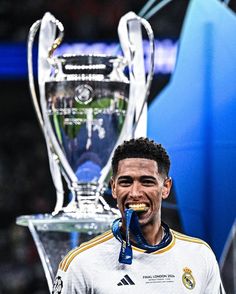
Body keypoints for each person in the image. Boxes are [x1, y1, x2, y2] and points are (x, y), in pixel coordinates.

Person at [52, 137, 225, 293]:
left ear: (165, 188)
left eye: (147, 182)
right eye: (126, 182)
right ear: (113, 188)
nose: (135, 193)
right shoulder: (81, 264)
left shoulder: (200, 256)